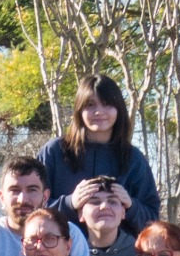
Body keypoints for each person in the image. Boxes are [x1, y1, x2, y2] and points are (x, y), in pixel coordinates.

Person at [38, 74, 162, 230]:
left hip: (120, 253)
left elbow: (152, 221)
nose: (99, 112)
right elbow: (34, 210)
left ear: (119, 109)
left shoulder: (133, 158)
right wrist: (70, 203)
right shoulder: (54, 152)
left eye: (107, 104)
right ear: (79, 110)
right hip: (62, 251)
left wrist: (130, 205)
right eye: (90, 105)